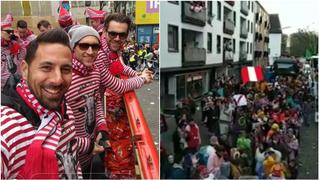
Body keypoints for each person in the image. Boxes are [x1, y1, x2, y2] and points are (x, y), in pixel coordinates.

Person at [1, 29, 82, 179]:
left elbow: (68, 150)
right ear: (25, 70)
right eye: (46, 68)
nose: (58, 79)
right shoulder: (8, 130)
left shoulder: (64, 109)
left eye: (65, 69)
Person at [65, 25, 108, 178]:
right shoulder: (64, 77)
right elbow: (56, 127)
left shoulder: (95, 70)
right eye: (84, 46)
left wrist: (102, 127)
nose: (90, 52)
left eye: (95, 46)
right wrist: (87, 145)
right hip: (70, 154)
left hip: (90, 149)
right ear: (73, 47)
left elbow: (97, 102)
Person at [1, 13, 26, 89]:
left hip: (15, 80)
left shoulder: (13, 44)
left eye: (11, 31)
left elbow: (22, 56)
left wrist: (19, 41)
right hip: (3, 83)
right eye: (8, 31)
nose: (11, 34)